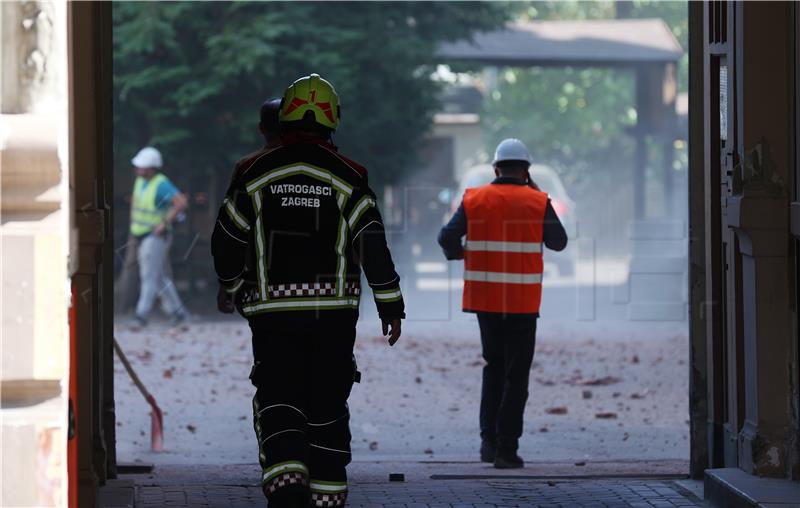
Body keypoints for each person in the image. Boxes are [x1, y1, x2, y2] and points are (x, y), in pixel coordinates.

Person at [211, 73, 405, 507]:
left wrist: (233, 284)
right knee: (327, 405)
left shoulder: (254, 173)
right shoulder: (350, 175)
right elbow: (372, 243)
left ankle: (287, 485)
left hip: (272, 316)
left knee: (279, 397)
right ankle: (327, 496)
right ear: (333, 119)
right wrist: (391, 303)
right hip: (334, 316)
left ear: (284, 120)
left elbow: (226, 240)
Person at [437, 138, 567, 469]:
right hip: (522, 304)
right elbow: (559, 243)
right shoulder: (537, 201)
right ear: (526, 170)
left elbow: (446, 237)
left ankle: (488, 443)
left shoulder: (475, 199)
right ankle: (507, 449)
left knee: (493, 368)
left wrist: (461, 255)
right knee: (516, 374)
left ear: (496, 168)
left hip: (486, 301)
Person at [217, 97, 283, 314]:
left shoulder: (247, 166)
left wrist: (228, 284)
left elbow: (232, 230)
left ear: (261, 129)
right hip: (316, 284)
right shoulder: (320, 167)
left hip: (261, 277)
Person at [129, 146, 190, 326]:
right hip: (142, 236)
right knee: (158, 276)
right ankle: (179, 313)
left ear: (150, 168)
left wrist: (164, 223)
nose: (137, 168)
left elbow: (181, 203)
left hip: (155, 237)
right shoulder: (140, 182)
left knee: (148, 276)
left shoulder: (161, 184)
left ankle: (141, 315)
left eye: (141, 166)